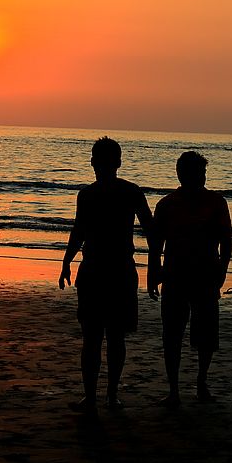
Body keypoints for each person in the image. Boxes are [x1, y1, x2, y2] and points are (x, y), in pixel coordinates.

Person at [59, 137, 153, 415]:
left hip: (105, 270)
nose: (93, 163)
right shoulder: (126, 192)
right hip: (114, 270)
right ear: (118, 162)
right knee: (110, 336)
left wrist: (67, 261)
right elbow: (151, 229)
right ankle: (107, 396)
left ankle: (97, 396)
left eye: (95, 158)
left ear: (97, 162)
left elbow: (79, 232)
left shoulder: (91, 194)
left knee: (96, 337)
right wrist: (66, 261)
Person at [147, 151, 232, 407]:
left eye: (203, 173)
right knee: (172, 334)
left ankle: (201, 382)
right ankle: (174, 389)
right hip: (174, 276)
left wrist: (222, 271)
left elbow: (226, 240)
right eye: (197, 173)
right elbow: (156, 244)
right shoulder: (167, 204)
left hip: (206, 275)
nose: (201, 178)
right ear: (182, 174)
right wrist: (153, 274)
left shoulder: (216, 202)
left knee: (205, 335)